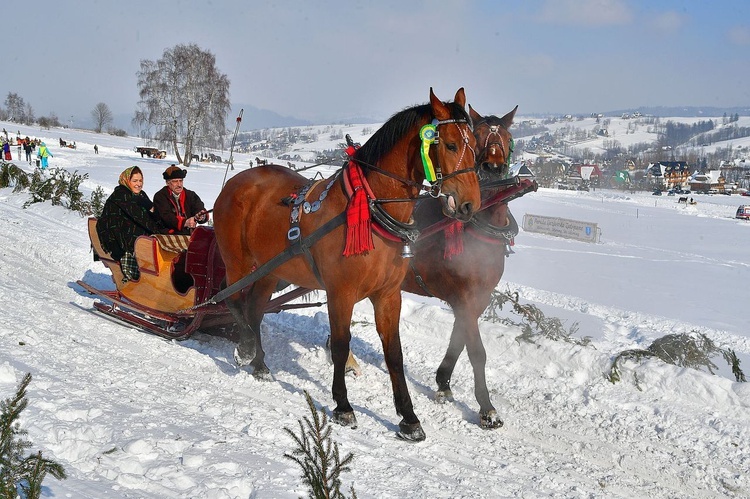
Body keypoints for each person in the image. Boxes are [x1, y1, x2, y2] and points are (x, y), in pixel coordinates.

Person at [96, 166, 167, 282]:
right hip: (125, 244)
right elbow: (112, 223)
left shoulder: (141, 195)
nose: (138, 184)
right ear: (126, 181)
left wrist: (151, 209)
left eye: (140, 181)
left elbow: (152, 217)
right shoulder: (119, 196)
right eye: (134, 181)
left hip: (144, 240)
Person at [152, 165, 208, 235]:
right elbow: (166, 217)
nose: (179, 185)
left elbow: (199, 207)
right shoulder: (160, 196)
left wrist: (201, 215)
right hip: (167, 234)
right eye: (175, 181)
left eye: (181, 181)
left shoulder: (190, 195)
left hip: (188, 234)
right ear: (167, 183)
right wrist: (185, 223)